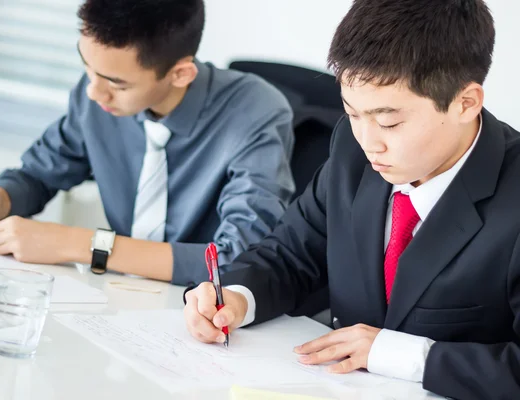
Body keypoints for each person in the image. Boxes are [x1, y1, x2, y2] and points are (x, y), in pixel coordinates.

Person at [183, 0, 520, 398]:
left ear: (466, 103)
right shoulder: (352, 148)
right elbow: (292, 254)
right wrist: (236, 298)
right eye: (352, 113)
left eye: (389, 122)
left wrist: (406, 355)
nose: (368, 142)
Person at [0, 0, 295, 285]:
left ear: (180, 74)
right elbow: (40, 173)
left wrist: (79, 245)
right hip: (116, 300)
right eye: (87, 68)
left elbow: (239, 258)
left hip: (200, 314)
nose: (94, 91)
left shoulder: (256, 111)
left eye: (116, 82)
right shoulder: (98, 93)